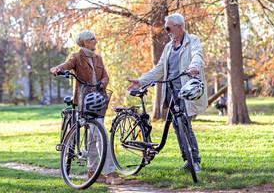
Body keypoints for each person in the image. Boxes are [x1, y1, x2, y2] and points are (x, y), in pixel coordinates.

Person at [127, 13, 208, 173]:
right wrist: (141, 81)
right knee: (177, 127)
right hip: (170, 92)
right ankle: (187, 161)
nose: (167, 32)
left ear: (179, 27)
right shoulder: (169, 47)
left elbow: (197, 54)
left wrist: (194, 67)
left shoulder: (192, 40)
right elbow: (159, 69)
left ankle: (195, 161)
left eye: (168, 28)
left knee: (185, 124)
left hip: (186, 90)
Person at [50, 30, 124, 185]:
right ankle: (110, 173)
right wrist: (58, 68)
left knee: (93, 138)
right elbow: (67, 65)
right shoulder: (76, 57)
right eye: (93, 39)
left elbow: (106, 76)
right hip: (84, 101)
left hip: (98, 100)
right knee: (100, 134)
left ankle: (92, 172)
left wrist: (100, 85)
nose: (96, 41)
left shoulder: (98, 58)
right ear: (85, 42)